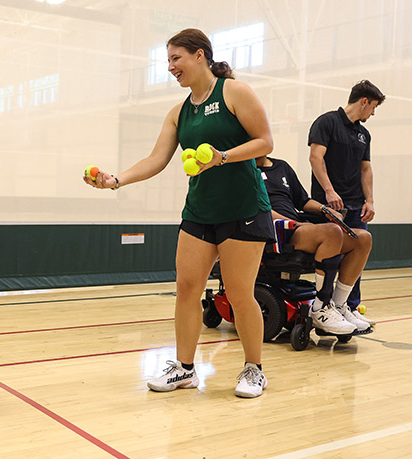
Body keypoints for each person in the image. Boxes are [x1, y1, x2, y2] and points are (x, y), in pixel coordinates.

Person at [84, 29, 273, 398]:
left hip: (244, 208)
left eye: (176, 58)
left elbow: (265, 142)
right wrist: (116, 180)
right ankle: (185, 369)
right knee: (187, 288)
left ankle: (254, 370)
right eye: (168, 60)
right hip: (200, 211)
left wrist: (222, 156)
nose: (171, 67)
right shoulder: (179, 112)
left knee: (239, 293)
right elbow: (157, 159)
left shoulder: (234, 92)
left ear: (200, 55)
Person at [256, 155, 374, 333]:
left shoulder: (282, 166)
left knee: (363, 239)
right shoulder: (245, 170)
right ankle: (320, 309)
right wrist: (294, 224)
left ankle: (340, 306)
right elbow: (260, 209)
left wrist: (325, 209)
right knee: (332, 232)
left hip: (298, 227)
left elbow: (303, 201)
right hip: (277, 230)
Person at [308, 80, 384, 316]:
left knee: (357, 258)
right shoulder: (326, 122)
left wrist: (369, 200)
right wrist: (329, 191)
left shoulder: (364, 134)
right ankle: (324, 308)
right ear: (364, 101)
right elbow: (315, 158)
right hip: (329, 207)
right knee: (331, 260)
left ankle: (349, 308)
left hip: (356, 208)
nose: (372, 113)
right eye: (373, 107)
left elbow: (365, 169)